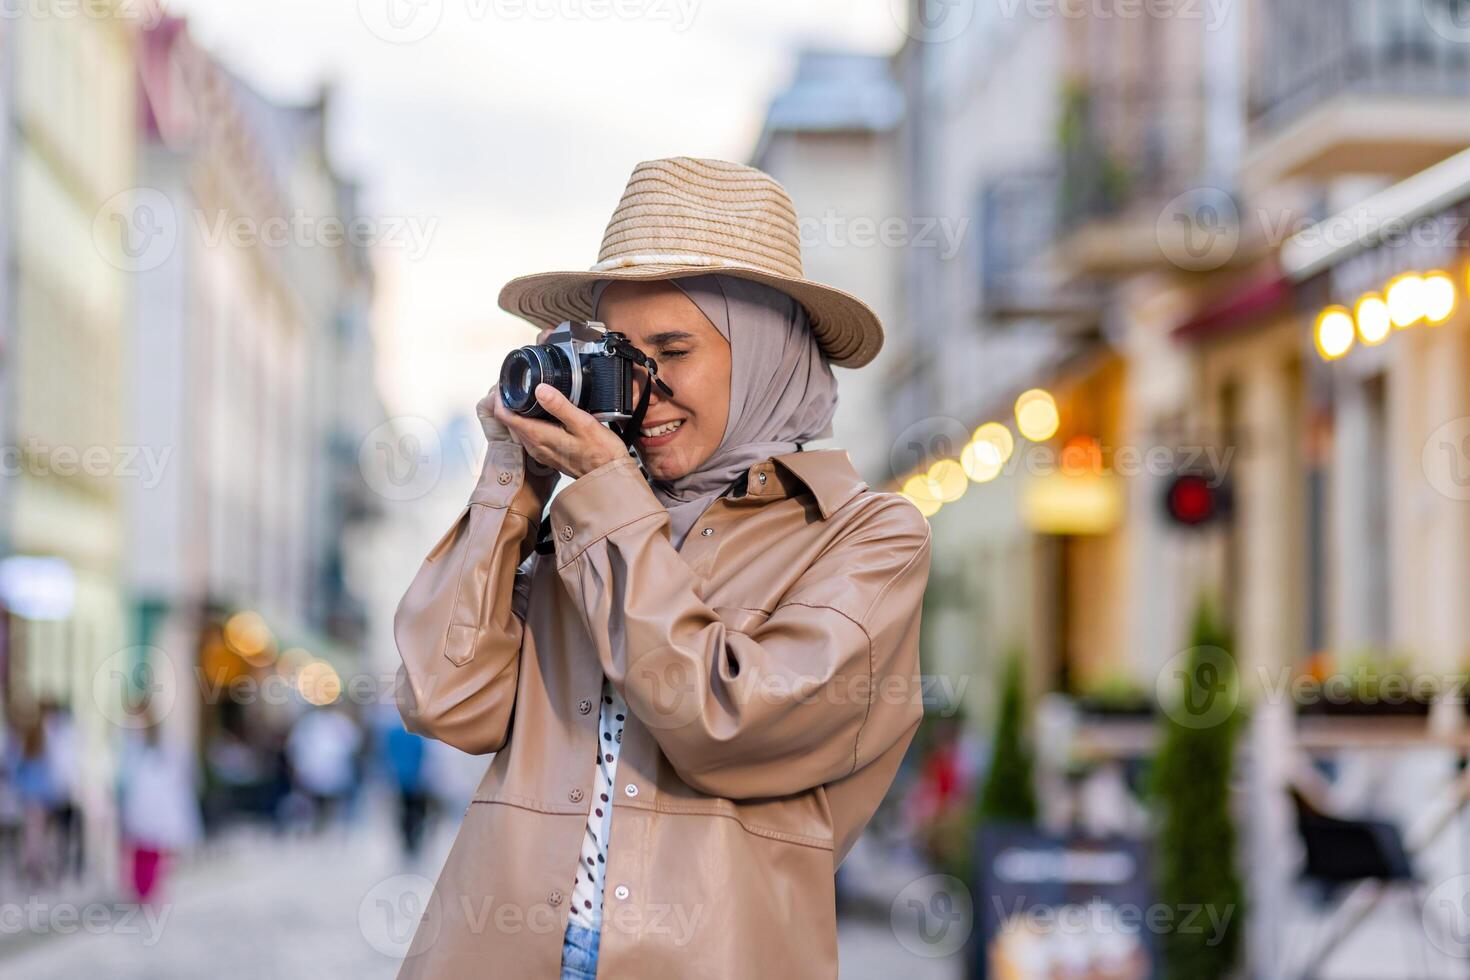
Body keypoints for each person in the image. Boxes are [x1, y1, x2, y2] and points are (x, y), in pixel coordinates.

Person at [394, 157, 931, 979]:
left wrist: (606, 497)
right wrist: (514, 477)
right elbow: (446, 700)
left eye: (670, 350)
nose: (643, 387)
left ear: (764, 353)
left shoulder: (867, 536)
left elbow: (730, 723)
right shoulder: (582, 522)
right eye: (618, 354)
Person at [119, 722, 202, 903]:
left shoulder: (161, 755)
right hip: (140, 812)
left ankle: (148, 889)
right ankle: (142, 890)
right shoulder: (134, 755)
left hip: (150, 814)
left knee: (151, 852)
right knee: (142, 852)